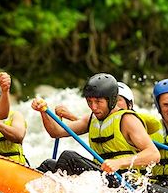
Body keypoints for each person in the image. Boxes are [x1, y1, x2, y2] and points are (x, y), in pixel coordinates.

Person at [31, 73, 160, 186]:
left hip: (125, 182)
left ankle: (59, 192)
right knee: (49, 164)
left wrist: (119, 163)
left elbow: (154, 154)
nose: (93, 107)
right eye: (89, 101)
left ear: (112, 100)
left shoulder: (127, 120)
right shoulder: (91, 119)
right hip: (101, 177)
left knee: (68, 157)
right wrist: (44, 112)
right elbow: (56, 132)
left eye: (98, 102)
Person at [52, 81, 162, 135]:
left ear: (130, 105)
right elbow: (96, 126)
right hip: (101, 172)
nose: (114, 104)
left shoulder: (132, 121)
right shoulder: (100, 119)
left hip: (122, 174)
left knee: (69, 157)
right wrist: (72, 117)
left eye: (118, 100)